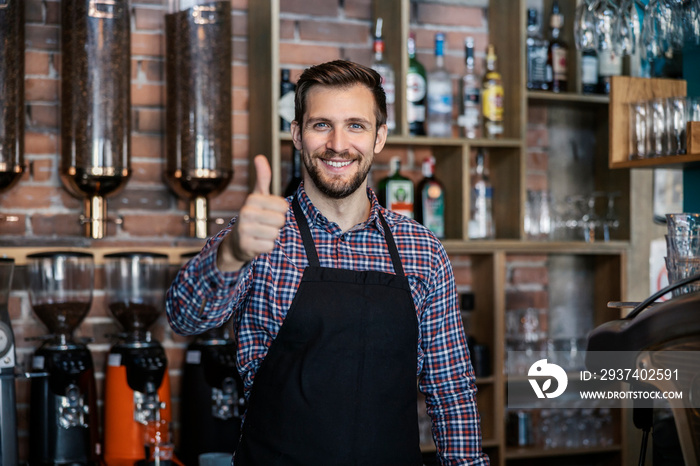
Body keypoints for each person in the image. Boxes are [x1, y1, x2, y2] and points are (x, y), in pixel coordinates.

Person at [166, 60, 490, 466]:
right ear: (297, 135)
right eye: (321, 125)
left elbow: (450, 390)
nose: (338, 144)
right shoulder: (259, 234)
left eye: (356, 125)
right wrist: (231, 255)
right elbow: (183, 318)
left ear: (379, 138)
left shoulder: (422, 250)